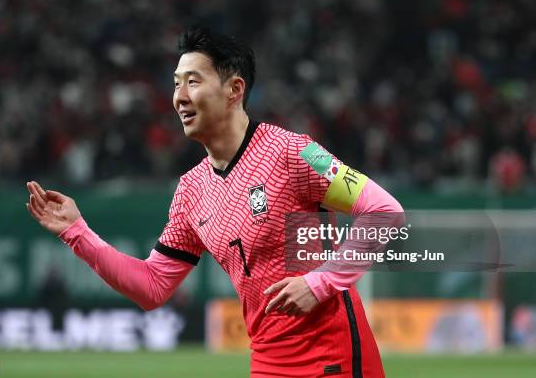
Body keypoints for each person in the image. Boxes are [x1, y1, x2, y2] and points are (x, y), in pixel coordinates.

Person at [26, 26, 403, 377]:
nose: (180, 97)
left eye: (193, 81)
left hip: (333, 358)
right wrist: (77, 232)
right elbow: (152, 286)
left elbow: (385, 211)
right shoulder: (191, 191)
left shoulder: (294, 153)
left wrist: (319, 283)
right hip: (268, 361)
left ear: (234, 89)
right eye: (176, 84)